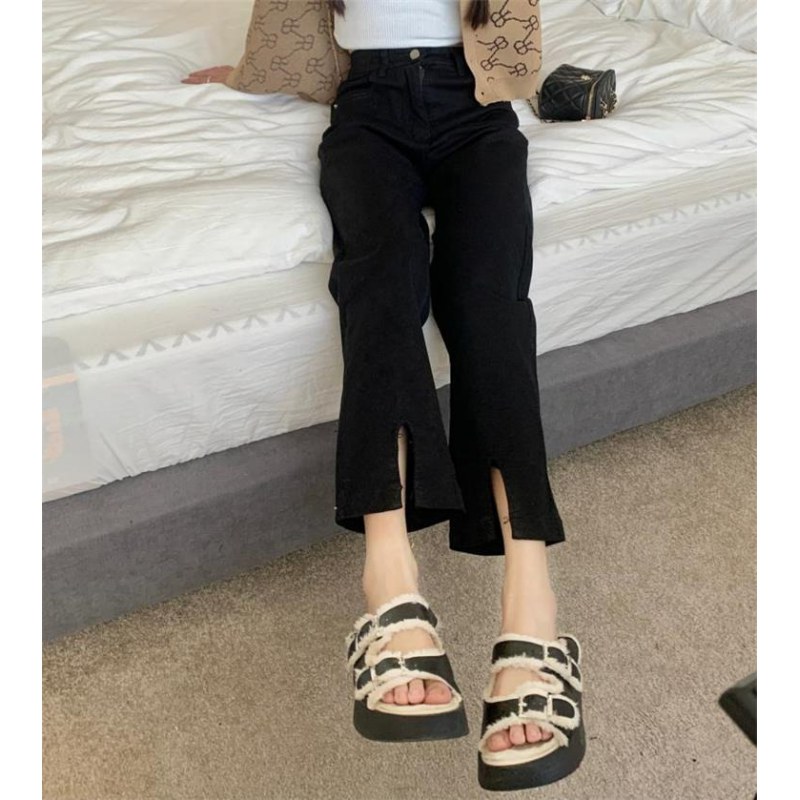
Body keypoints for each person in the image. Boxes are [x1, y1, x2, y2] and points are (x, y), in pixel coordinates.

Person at [184, 1, 585, 791]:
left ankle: (532, 605)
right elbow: (292, 24)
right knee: (380, 286)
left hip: (476, 113)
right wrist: (248, 74)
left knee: (491, 308)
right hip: (368, 113)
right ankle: (389, 579)